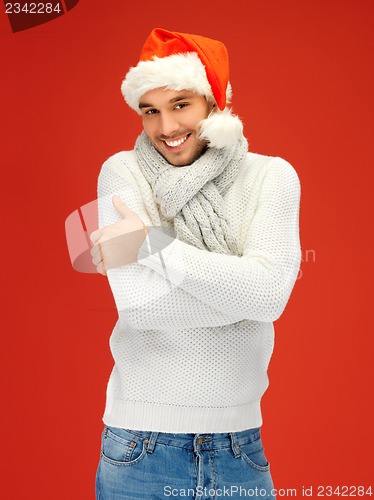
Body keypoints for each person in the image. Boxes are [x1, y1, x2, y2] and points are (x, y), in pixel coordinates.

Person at [90, 28, 301, 499]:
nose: (166, 128)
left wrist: (152, 245)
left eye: (180, 104)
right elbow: (142, 306)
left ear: (216, 101)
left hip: (239, 448)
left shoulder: (272, 176)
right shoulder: (121, 172)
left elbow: (270, 295)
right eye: (150, 111)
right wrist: (244, 291)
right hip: (138, 446)